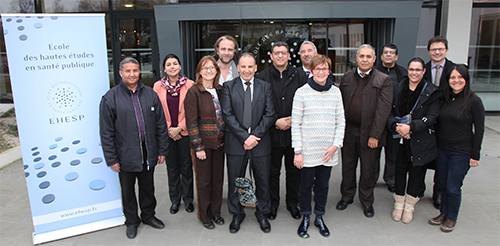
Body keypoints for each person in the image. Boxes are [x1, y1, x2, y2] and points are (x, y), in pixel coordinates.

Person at [100, 57, 168, 239]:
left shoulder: (151, 95)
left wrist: (162, 150)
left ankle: (148, 216)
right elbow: (106, 132)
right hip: (124, 155)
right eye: (128, 71)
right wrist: (112, 159)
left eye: (135, 71)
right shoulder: (110, 98)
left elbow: (161, 124)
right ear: (120, 73)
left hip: (148, 152)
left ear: (140, 72)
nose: (132, 74)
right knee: (128, 191)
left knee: (148, 188)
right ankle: (131, 221)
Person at [220, 52, 276, 234]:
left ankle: (262, 213)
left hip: (261, 142)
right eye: (243, 66)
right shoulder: (228, 87)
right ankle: (237, 213)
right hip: (237, 142)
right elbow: (227, 115)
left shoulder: (265, 87)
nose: (246, 70)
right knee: (237, 179)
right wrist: (245, 137)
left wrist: (254, 137)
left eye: (250, 66)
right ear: (238, 68)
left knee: (263, 179)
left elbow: (270, 114)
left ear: (256, 68)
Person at [292, 54, 345, 238]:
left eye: (324, 68)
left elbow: (341, 122)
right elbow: (296, 124)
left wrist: (335, 146)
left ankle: (319, 217)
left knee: (323, 185)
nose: (321, 72)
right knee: (305, 186)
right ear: (312, 70)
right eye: (318, 68)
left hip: (328, 151)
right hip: (307, 152)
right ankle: (306, 216)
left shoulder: (336, 92)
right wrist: (298, 151)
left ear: (329, 71)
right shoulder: (301, 92)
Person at [337, 44, 393, 218]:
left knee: (368, 170)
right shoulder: (346, 77)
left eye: (368, 56)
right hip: (348, 131)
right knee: (347, 167)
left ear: (374, 59)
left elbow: (383, 111)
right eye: (361, 56)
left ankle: (367, 201)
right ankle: (346, 196)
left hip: (370, 133)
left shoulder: (383, 80)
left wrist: (375, 135)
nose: (365, 59)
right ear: (357, 58)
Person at [429, 64, 485, 232]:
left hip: (461, 152)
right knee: (444, 184)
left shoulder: (474, 101)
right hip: (443, 149)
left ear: (466, 80)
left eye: (460, 77)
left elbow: (479, 129)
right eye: (453, 77)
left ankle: (452, 217)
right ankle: (443, 213)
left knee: (453, 186)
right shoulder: (445, 99)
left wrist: (475, 155)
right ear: (448, 80)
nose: (456, 81)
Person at [256, 41, 308, 220]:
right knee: (272, 172)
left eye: (283, 53)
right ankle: (272, 204)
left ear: (288, 56)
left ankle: (293, 203)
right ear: (271, 56)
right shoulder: (262, 77)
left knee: (294, 172)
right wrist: (275, 121)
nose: (279, 56)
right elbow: (259, 105)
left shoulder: (300, 75)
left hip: (295, 134)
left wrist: (294, 120)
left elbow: (306, 102)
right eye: (276, 53)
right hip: (272, 134)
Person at [386, 57, 441, 224]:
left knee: (417, 173)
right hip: (400, 139)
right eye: (411, 69)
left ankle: (409, 205)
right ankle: (399, 203)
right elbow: (388, 112)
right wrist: (396, 126)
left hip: (420, 139)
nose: (414, 73)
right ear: (407, 70)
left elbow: (431, 117)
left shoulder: (431, 91)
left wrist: (411, 128)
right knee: (400, 171)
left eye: (418, 70)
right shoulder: (398, 87)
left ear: (424, 71)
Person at [185, 56, 225, 229]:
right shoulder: (194, 92)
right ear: (199, 72)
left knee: (217, 180)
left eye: (212, 67)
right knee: (204, 181)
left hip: (220, 144)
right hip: (203, 146)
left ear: (217, 71)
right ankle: (205, 215)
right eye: (205, 68)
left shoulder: (221, 90)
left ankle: (216, 212)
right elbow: (191, 122)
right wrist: (198, 147)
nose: (209, 71)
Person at [153, 54, 195, 215]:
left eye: (175, 63)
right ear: (164, 69)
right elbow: (157, 111)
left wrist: (180, 128)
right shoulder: (158, 86)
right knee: (172, 169)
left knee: (186, 167)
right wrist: (170, 129)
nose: (172, 67)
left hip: (185, 133)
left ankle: (188, 199)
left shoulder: (190, 85)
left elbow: (193, 110)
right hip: (167, 134)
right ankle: (175, 200)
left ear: (180, 67)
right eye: (168, 64)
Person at [423, 36, 456, 209]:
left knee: (442, 160)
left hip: (445, 120)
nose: (437, 52)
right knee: (422, 154)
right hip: (426, 118)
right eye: (434, 49)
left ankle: (439, 193)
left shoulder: (454, 70)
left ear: (446, 50)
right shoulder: (424, 69)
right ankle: (418, 189)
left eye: (440, 49)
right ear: (429, 52)